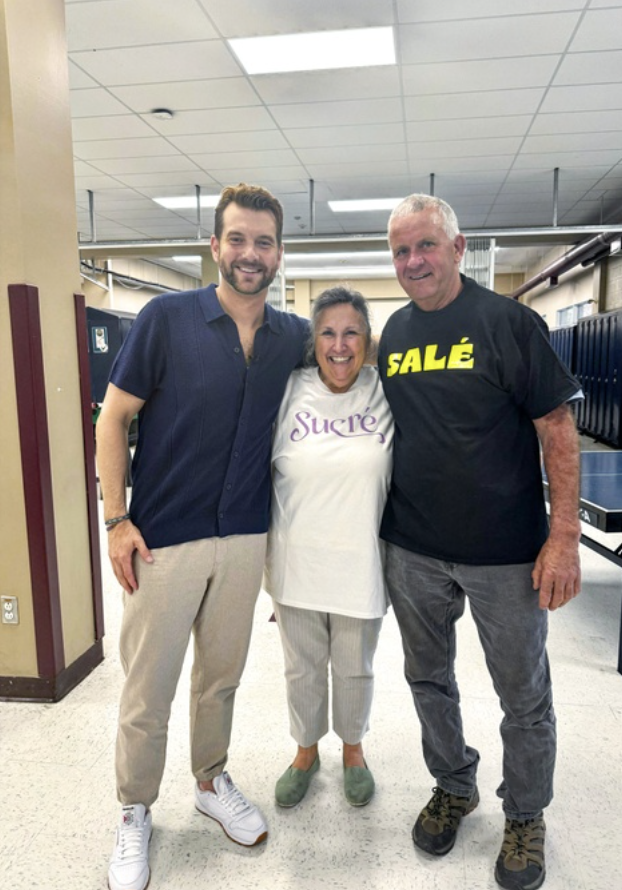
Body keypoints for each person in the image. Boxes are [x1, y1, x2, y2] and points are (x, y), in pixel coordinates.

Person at [96, 183, 309, 890]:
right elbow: (113, 419)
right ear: (214, 246)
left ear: (280, 253)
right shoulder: (164, 319)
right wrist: (116, 518)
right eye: (238, 239)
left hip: (246, 537)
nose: (251, 254)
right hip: (164, 539)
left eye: (265, 242)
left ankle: (210, 781)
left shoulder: (292, 339)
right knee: (148, 688)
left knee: (221, 678)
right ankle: (134, 810)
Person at [377, 194, 581, 890]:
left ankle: (525, 814)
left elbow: (557, 428)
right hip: (412, 547)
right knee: (427, 677)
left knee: (522, 693)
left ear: (458, 248)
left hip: (506, 554)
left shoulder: (508, 324)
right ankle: (453, 783)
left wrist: (564, 538)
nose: (414, 261)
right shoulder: (392, 336)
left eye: (426, 245)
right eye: (402, 250)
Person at [264, 286, 394, 809]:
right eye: (328, 333)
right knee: (302, 668)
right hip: (296, 562)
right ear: (313, 340)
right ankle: (305, 751)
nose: (340, 345)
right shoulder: (288, 390)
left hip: (362, 563)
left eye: (351, 333)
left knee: (355, 667)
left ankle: (354, 751)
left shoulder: (386, 391)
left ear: (367, 340)